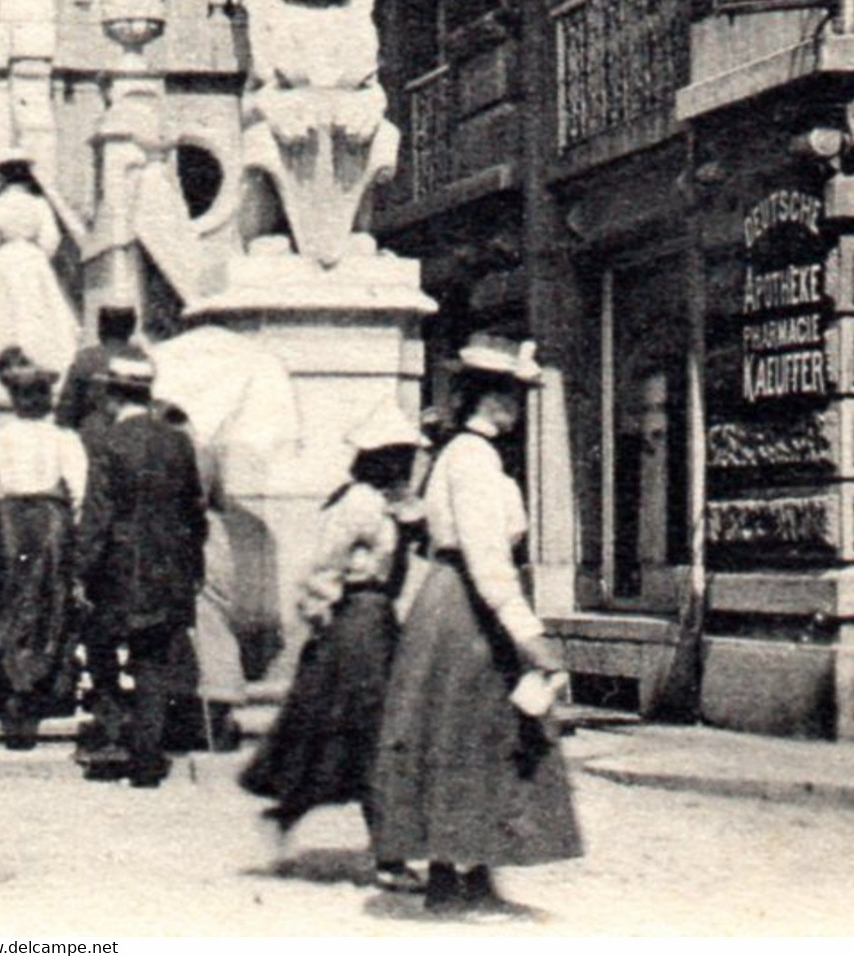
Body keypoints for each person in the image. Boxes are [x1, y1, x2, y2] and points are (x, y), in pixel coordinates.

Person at [367, 334, 582, 915]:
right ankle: (456, 872)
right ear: (490, 399)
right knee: (482, 736)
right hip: (469, 610)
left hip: (446, 605)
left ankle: (461, 869)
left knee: (453, 735)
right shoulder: (475, 461)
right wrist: (527, 632)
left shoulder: (453, 457)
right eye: (511, 394)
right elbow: (487, 557)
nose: (518, 406)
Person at [241, 400, 430, 887]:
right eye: (405, 454)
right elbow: (324, 568)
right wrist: (323, 617)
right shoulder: (358, 504)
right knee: (374, 733)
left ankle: (292, 814)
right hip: (359, 622)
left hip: (377, 622)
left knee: (350, 734)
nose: (412, 463)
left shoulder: (388, 503)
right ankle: (389, 856)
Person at [75, 353, 208, 788]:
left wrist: (80, 569)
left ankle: (113, 729)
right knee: (152, 659)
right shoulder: (178, 441)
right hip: (168, 565)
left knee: (98, 642)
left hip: (119, 565)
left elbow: (97, 515)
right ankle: (147, 759)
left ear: (114, 395)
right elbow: (194, 511)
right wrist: (194, 564)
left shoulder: (109, 443)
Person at [0, 347, 87, 749]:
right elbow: (81, 489)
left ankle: (14, 685)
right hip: (50, 520)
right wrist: (69, 521)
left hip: (12, 521)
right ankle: (40, 687)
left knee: (13, 601)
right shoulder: (61, 437)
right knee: (49, 600)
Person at [0, 152, 79, 380]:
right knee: (36, 313)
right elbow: (52, 238)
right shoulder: (38, 203)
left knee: (6, 316)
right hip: (33, 260)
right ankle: (39, 364)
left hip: (4, 260)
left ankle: (8, 373)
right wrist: (39, 256)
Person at [55, 305, 146, 432]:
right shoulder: (142, 359)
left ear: (101, 328)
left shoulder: (86, 358)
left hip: (92, 434)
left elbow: (67, 406)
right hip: (133, 434)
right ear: (130, 329)